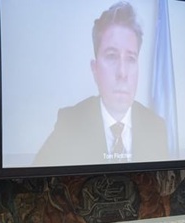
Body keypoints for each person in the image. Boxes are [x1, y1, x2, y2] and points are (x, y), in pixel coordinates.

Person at [33, 1, 168, 166]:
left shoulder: (156, 127)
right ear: (95, 69)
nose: (122, 73)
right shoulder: (70, 123)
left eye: (131, 58)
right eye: (111, 56)